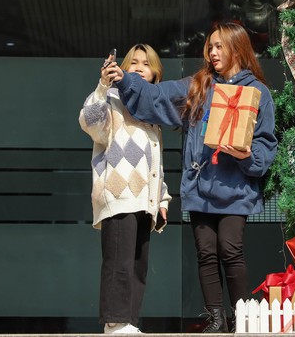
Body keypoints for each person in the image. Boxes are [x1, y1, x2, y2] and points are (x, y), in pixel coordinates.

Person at [104, 23, 277, 333]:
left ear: (238, 48)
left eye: (219, 46)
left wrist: (245, 156)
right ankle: (215, 319)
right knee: (206, 252)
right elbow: (157, 94)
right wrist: (127, 79)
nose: (212, 52)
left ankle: (243, 321)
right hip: (200, 186)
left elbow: (265, 145)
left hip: (236, 188)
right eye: (210, 46)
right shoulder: (199, 85)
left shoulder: (258, 93)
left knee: (230, 248)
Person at [79, 44, 171, 334]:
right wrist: (103, 86)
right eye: (133, 63)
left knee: (137, 265)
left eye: (146, 64)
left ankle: (126, 322)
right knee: (119, 260)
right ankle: (115, 322)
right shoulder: (114, 99)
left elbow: (153, 160)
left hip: (146, 199)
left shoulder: (154, 113)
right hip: (119, 193)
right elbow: (91, 123)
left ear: (156, 73)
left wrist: (163, 198)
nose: (139, 67)